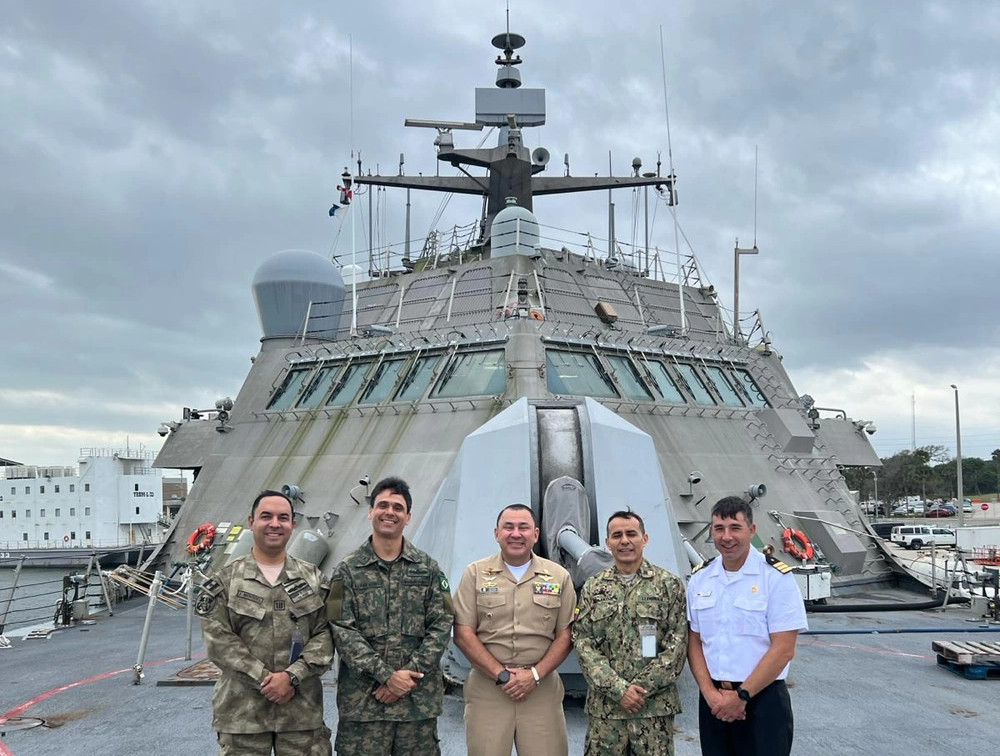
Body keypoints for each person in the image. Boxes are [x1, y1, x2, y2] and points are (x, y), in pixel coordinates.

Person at [197, 490, 333, 756]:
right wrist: (267, 680)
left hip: (301, 714)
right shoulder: (225, 581)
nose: (275, 523)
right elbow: (219, 642)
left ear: (293, 525)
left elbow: (326, 633)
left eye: (283, 517)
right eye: (266, 516)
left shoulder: (313, 579)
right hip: (242, 715)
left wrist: (292, 677)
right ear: (251, 522)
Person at [328, 476, 454, 755]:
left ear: (408, 517)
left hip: (416, 707)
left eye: (398, 507)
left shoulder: (428, 569)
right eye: (382, 505)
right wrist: (385, 675)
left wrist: (405, 680)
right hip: (364, 706)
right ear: (370, 511)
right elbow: (341, 627)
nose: (390, 512)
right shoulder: (347, 570)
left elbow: (443, 624)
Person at [686, 496, 808, 756]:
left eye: (735, 527)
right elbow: (694, 640)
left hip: (763, 701)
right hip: (714, 702)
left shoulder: (776, 578)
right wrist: (710, 694)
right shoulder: (700, 579)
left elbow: (784, 648)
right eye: (719, 529)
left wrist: (741, 696)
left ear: (751, 531)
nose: (726, 536)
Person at [452, 504, 576, 756]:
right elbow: (463, 632)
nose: (516, 534)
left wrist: (535, 675)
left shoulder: (558, 577)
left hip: (541, 690)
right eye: (508, 527)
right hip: (488, 690)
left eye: (523, 527)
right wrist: (502, 674)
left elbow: (566, 634)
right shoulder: (475, 574)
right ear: (497, 533)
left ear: (536, 534)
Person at [573, 510, 688, 755]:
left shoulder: (669, 585)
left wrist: (640, 690)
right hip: (606, 711)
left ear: (644, 539)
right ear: (608, 543)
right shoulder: (594, 587)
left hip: (653, 710)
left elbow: (677, 646)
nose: (624, 540)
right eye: (617, 535)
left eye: (631, 534)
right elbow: (583, 643)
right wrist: (619, 690)